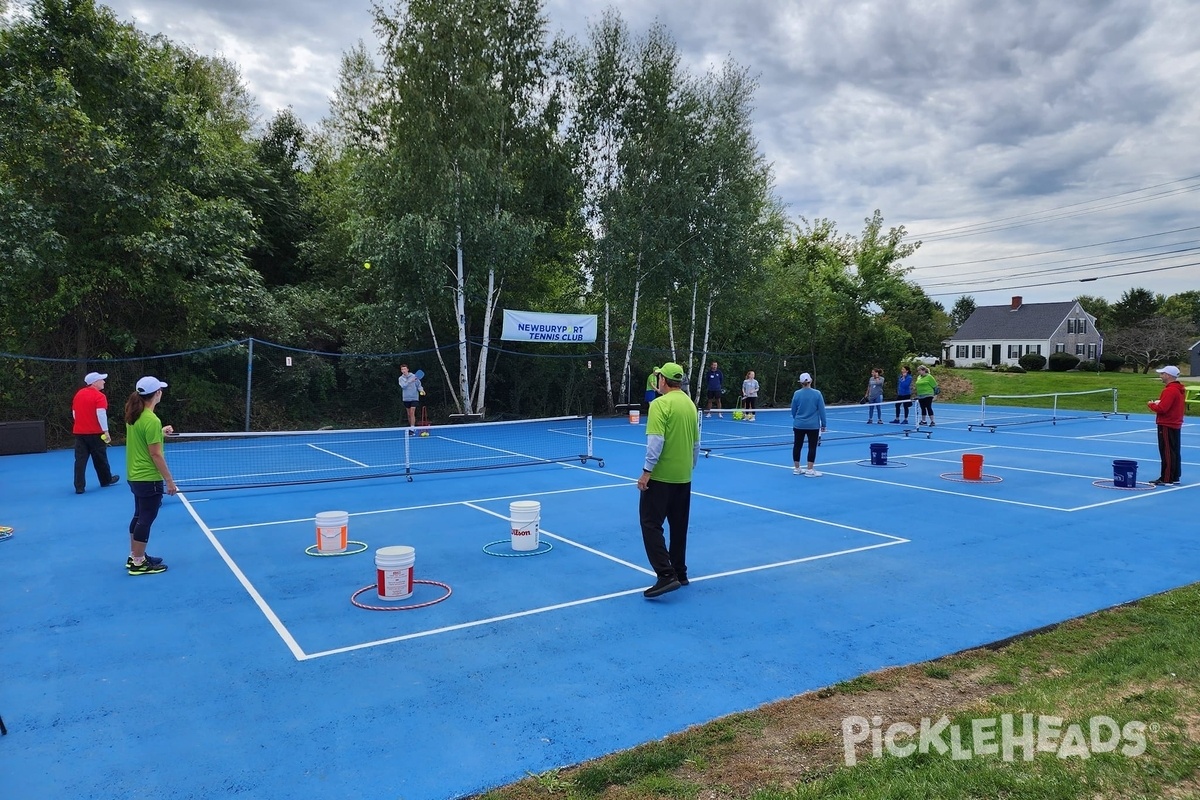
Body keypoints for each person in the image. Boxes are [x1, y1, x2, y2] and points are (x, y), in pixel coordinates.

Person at [636, 362, 700, 599]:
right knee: (679, 525)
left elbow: (655, 442)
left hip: (661, 477)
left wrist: (646, 471)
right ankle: (680, 572)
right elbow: (696, 444)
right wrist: (689, 466)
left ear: (663, 380)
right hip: (684, 477)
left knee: (650, 524)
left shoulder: (659, 404)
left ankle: (665, 574)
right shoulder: (690, 405)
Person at [124, 376, 177, 575]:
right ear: (156, 394)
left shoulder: (133, 415)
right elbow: (155, 454)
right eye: (160, 390)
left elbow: (144, 438)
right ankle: (138, 563)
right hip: (148, 478)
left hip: (134, 475)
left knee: (139, 515)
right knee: (146, 518)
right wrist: (169, 481)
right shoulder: (151, 420)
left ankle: (135, 556)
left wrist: (160, 432)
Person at [72, 371, 120, 494]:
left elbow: (74, 414)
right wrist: (106, 431)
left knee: (80, 460)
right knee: (100, 458)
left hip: (79, 433)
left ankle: (79, 486)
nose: (104, 381)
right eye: (101, 380)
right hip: (96, 433)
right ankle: (105, 480)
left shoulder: (78, 394)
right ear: (94, 382)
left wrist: (82, 424)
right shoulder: (99, 396)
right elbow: (101, 414)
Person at [1147, 365, 1185, 486]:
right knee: (1174, 450)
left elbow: (1162, 408)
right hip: (1175, 422)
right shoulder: (1178, 389)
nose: (1161, 376)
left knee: (1167, 451)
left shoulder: (1169, 390)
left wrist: (1152, 405)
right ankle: (1175, 476)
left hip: (1167, 424)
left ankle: (1167, 478)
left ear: (1168, 375)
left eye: (1162, 374)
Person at [790, 373, 827, 476]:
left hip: (798, 425)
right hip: (813, 426)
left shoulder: (796, 394)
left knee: (797, 446)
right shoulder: (817, 394)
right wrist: (824, 424)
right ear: (810, 381)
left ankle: (797, 468)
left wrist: (797, 419)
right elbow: (822, 410)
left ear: (801, 383)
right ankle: (810, 470)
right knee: (812, 447)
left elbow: (793, 410)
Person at [398, 364, 424, 430]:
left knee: (412, 412)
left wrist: (421, 390)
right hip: (406, 398)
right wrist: (410, 381)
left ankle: (412, 429)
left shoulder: (414, 376)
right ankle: (411, 426)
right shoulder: (401, 379)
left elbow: (418, 385)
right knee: (409, 414)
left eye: (404, 369)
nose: (403, 370)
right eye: (402, 369)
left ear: (407, 369)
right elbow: (403, 386)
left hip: (414, 398)